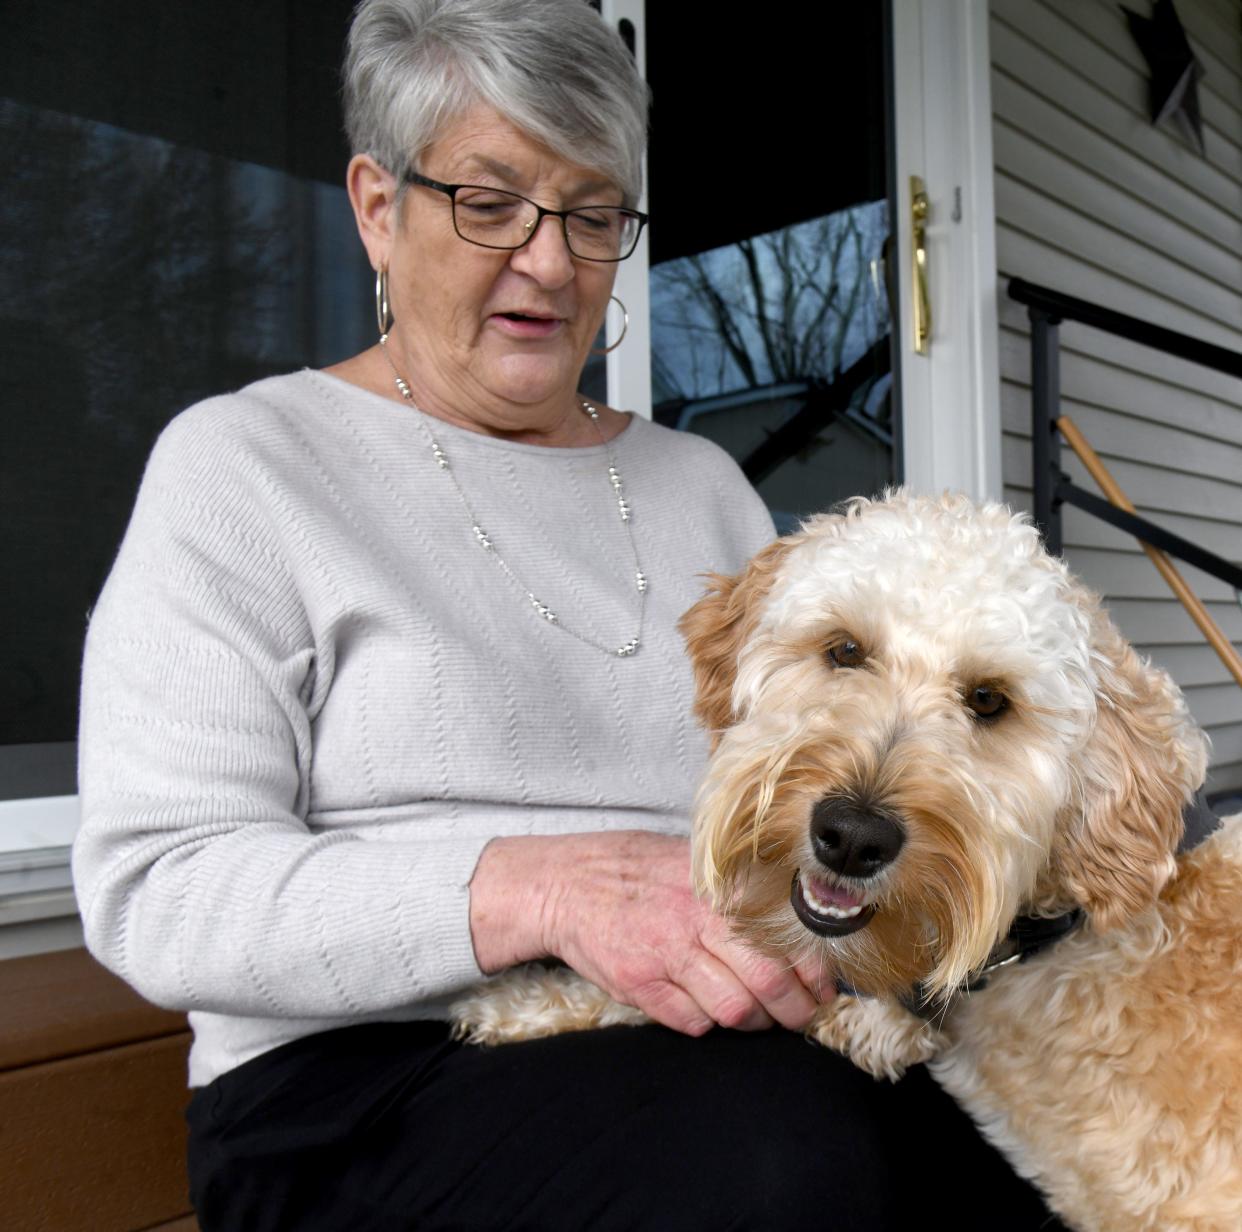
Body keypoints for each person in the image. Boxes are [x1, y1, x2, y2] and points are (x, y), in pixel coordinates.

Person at [73, 1, 1069, 1228]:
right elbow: (159, 886)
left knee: (1031, 1154)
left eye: (593, 215)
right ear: (378, 207)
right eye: (490, 204)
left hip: (711, 1029)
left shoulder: (699, 483)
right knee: (775, 1164)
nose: (550, 261)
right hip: (357, 1087)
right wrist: (541, 892)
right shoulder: (244, 464)